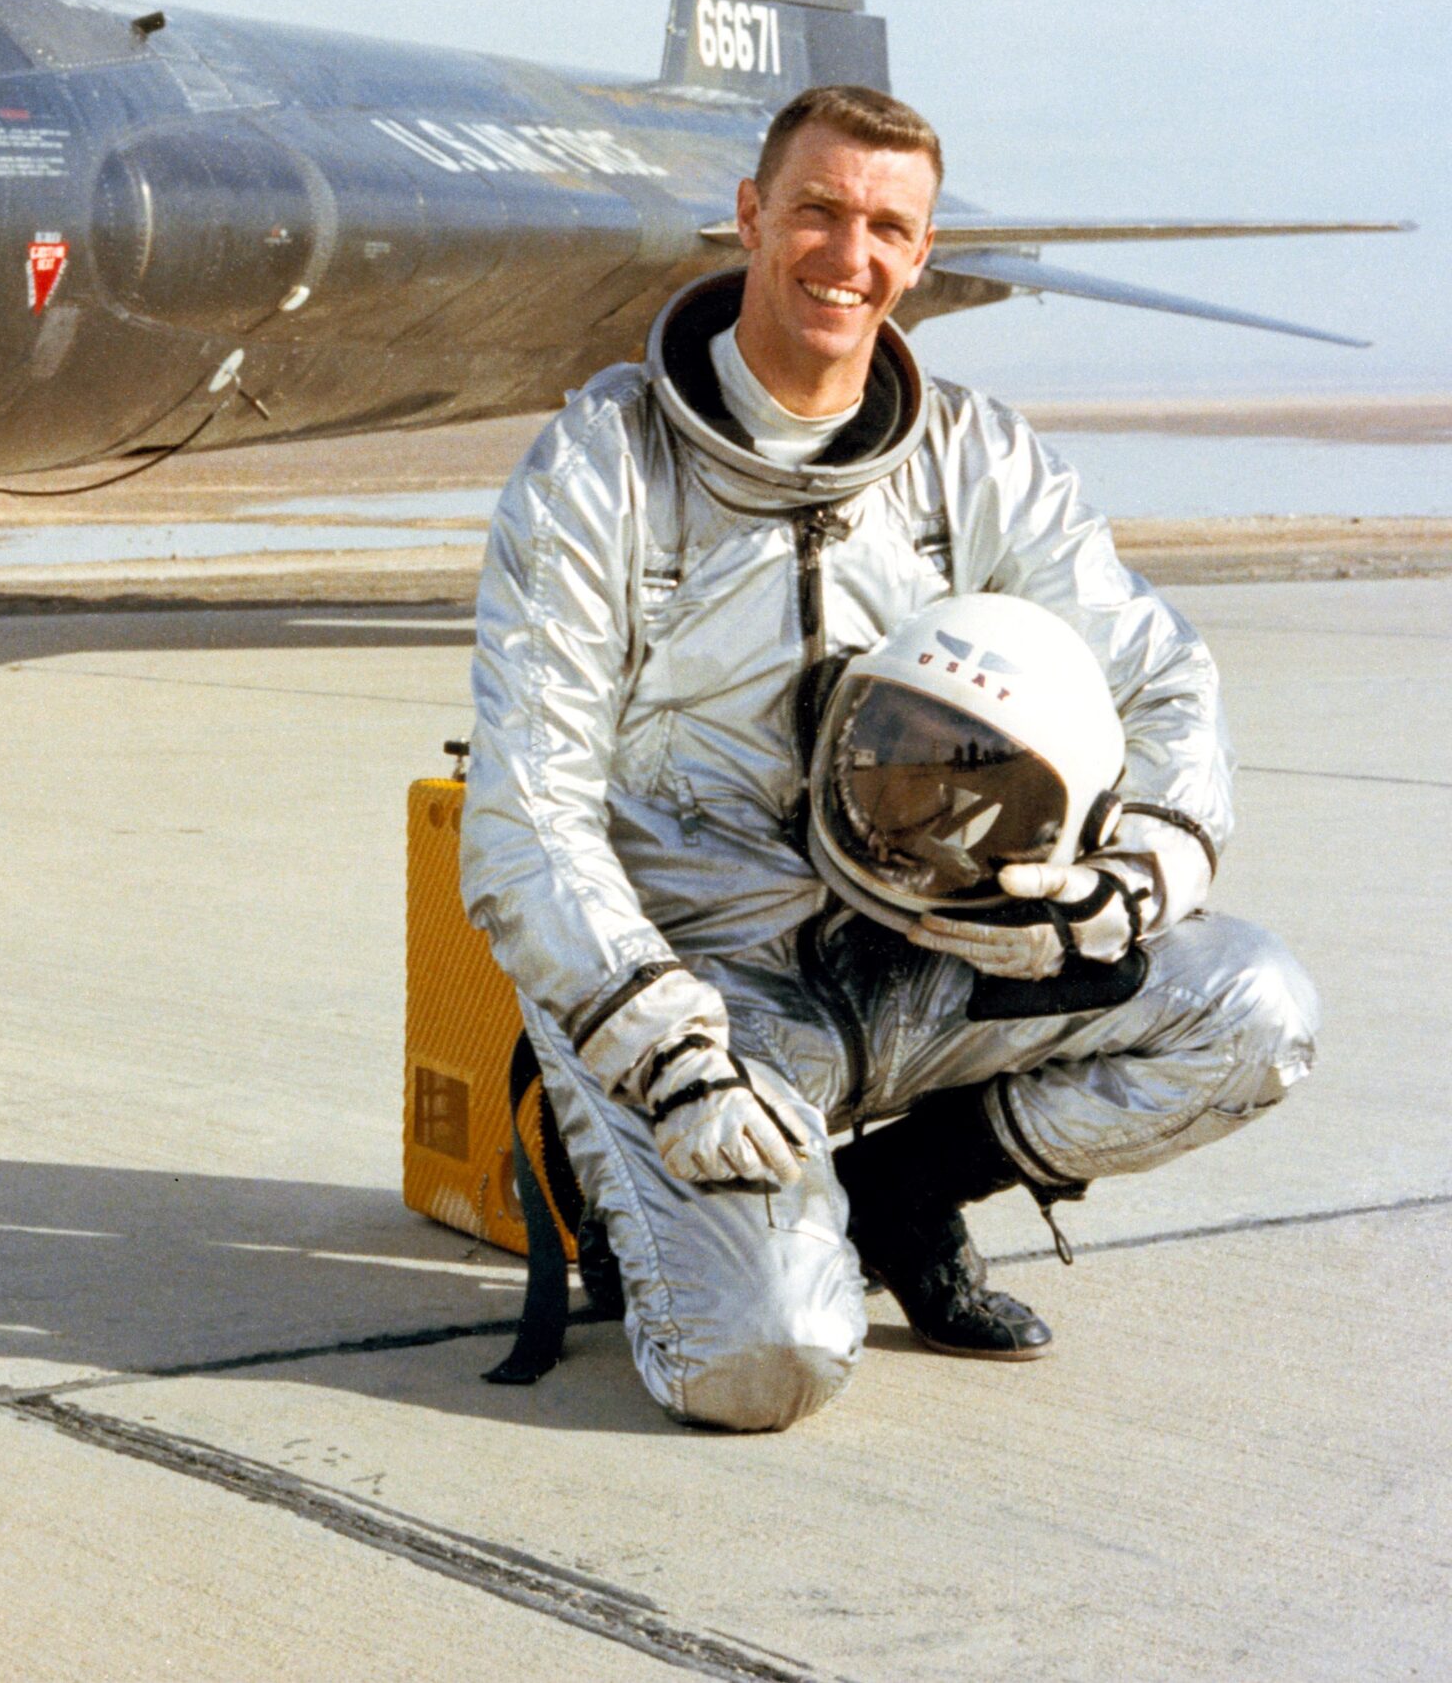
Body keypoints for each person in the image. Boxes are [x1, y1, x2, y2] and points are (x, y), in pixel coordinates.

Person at [459, 84, 1317, 1432]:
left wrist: (1132, 881)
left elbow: (1159, 674)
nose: (844, 255)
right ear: (748, 214)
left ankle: (902, 1200)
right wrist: (662, 1050)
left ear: (921, 257)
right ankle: (620, 1159)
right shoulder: (603, 470)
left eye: (884, 226)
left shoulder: (977, 461)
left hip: (928, 963)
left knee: (1255, 1006)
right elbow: (524, 816)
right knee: (765, 1365)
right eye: (814, 210)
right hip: (710, 995)